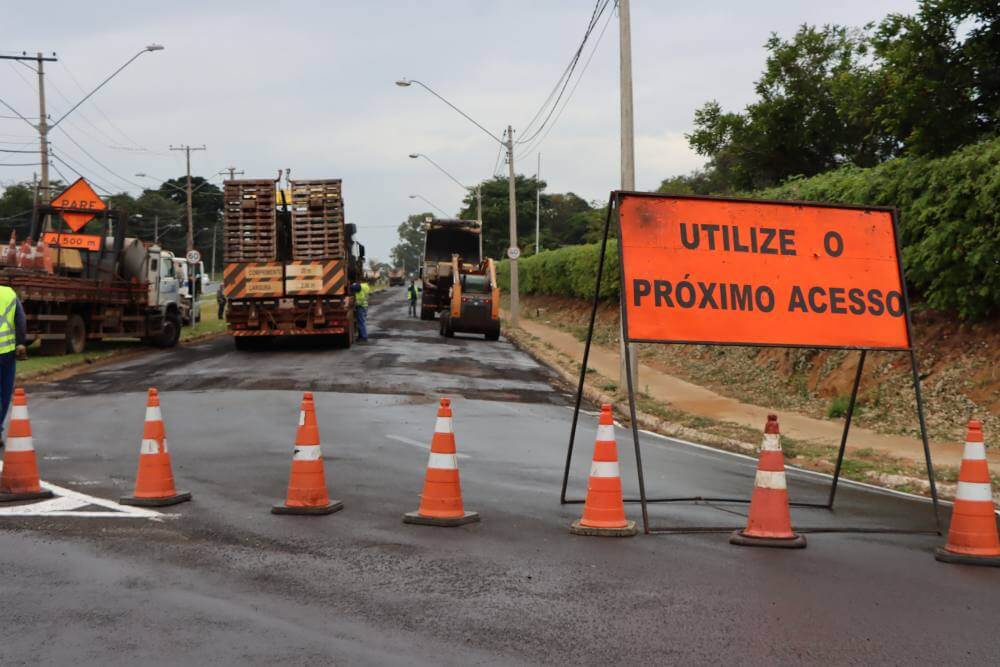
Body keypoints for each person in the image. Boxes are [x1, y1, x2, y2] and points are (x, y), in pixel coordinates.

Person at [0, 285, 27, 448]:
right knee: (4, 392)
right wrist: (21, 343)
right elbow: (20, 320)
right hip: (7, 354)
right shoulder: (9, 294)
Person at [353, 277, 372, 342]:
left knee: (361, 322)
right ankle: (361, 336)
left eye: (359, 281)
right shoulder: (367, 286)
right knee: (361, 322)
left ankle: (364, 337)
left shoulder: (361, 286)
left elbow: (354, 287)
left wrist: (353, 284)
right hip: (364, 305)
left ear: (361, 281)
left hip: (360, 305)